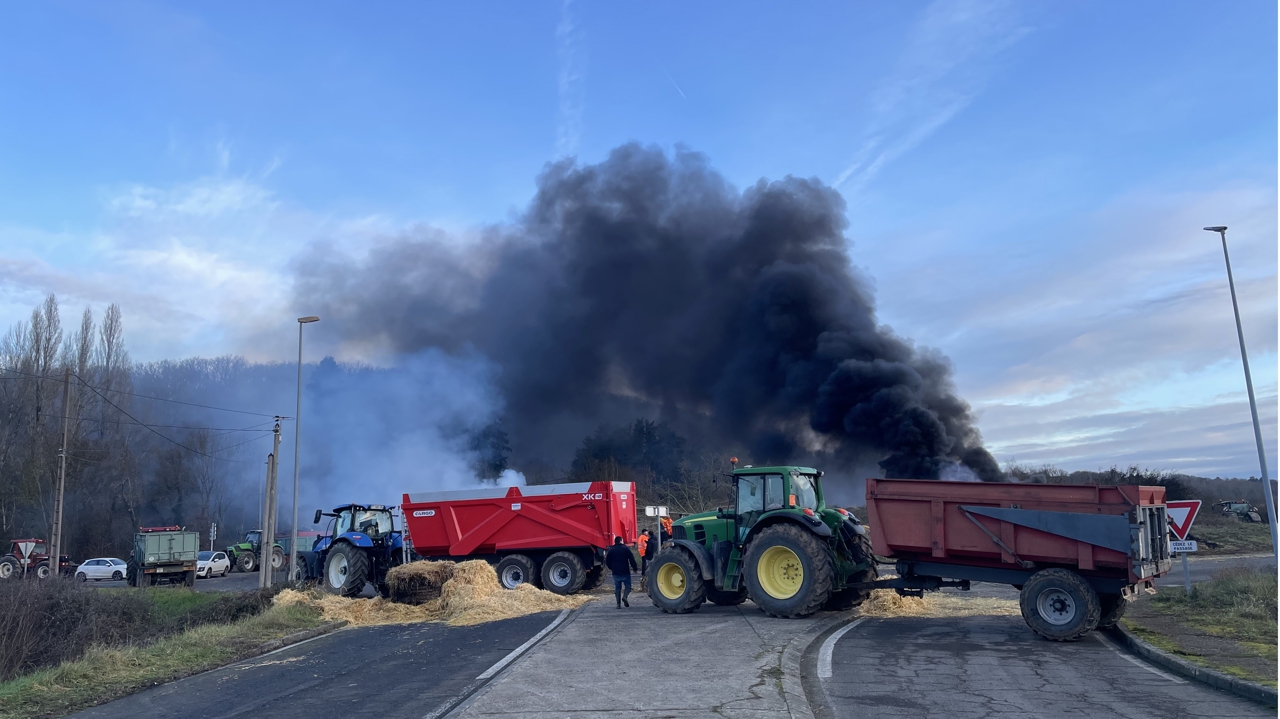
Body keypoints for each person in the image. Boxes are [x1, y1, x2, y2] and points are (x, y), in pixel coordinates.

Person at [605, 536, 638, 608]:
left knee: (617, 588)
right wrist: (635, 568)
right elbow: (631, 559)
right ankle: (625, 596)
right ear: (621, 541)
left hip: (615, 571)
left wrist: (611, 567)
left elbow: (607, 561)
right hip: (625, 571)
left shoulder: (611, 550)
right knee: (628, 587)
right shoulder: (626, 549)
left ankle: (618, 604)